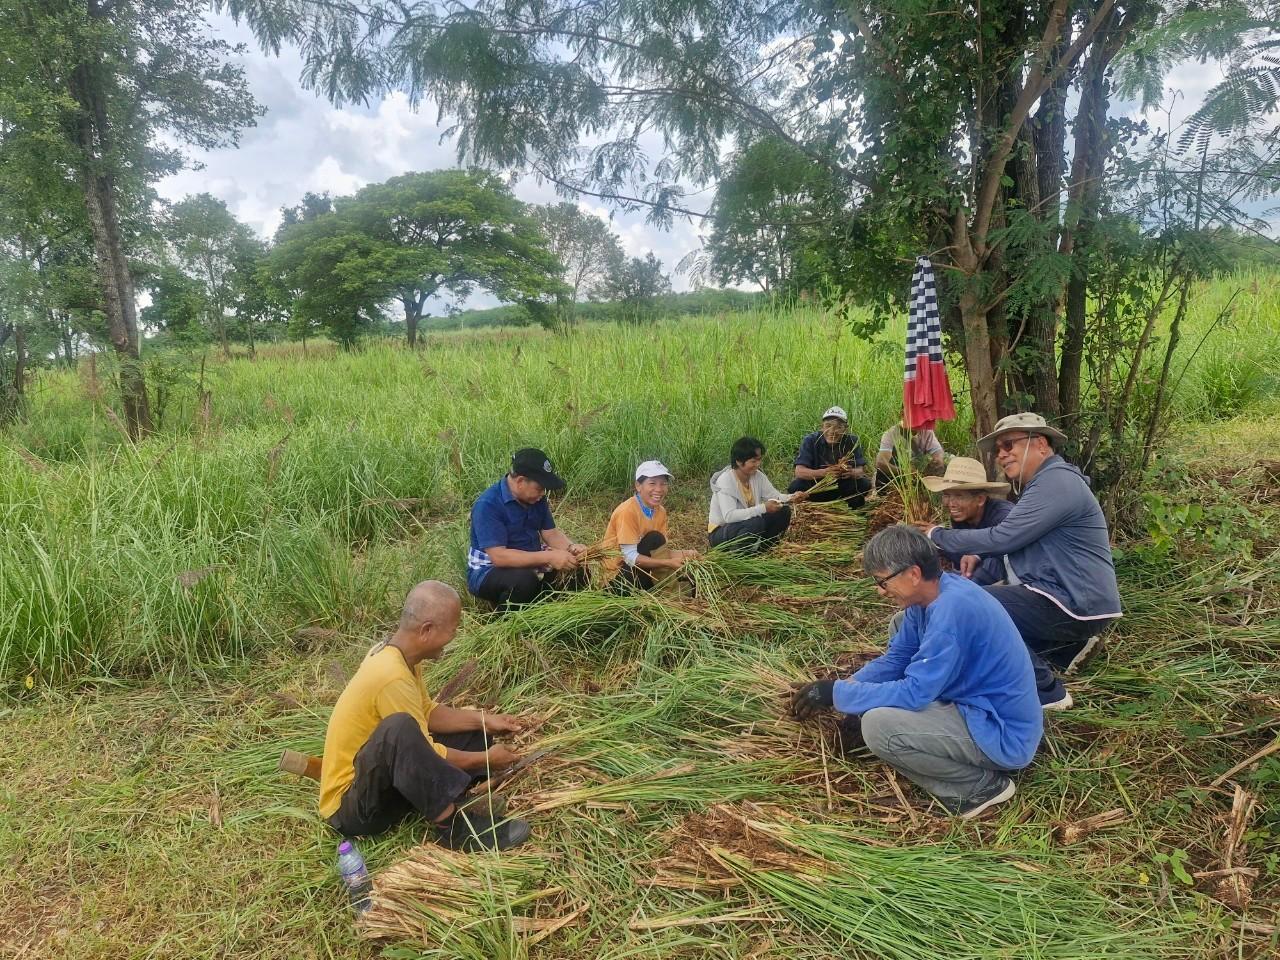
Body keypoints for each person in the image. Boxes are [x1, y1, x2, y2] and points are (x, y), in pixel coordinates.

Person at [791, 526, 1042, 819]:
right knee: (899, 624)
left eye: (883, 582)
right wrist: (846, 686)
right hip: (974, 705)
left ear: (912, 574)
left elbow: (916, 691)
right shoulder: (934, 594)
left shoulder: (951, 612)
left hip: (1001, 733)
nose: (879, 591)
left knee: (878, 727)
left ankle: (979, 788)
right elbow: (897, 659)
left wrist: (839, 694)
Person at [922, 413, 1122, 711]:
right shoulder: (1047, 482)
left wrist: (936, 534)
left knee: (973, 605)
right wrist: (977, 553)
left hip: (1073, 601)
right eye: (998, 449)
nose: (1002, 455)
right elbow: (1013, 541)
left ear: (1040, 443)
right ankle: (1066, 650)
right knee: (984, 608)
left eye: (1008, 445)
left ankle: (1047, 692)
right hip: (1069, 598)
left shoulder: (1056, 482)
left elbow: (1003, 538)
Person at [319, 581, 531, 849]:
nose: (454, 637)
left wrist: (483, 719)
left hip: (382, 779)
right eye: (452, 630)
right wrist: (486, 759)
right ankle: (452, 827)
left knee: (473, 735)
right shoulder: (390, 675)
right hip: (355, 808)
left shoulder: (401, 656)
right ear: (426, 630)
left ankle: (459, 788)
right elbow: (422, 748)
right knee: (399, 729)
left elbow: (427, 712)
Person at [467, 447, 588, 609]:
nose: (543, 493)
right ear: (520, 481)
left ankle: (549, 611)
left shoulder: (536, 499)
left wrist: (571, 548)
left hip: (530, 560)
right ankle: (506, 626)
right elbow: (500, 557)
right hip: (490, 570)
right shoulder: (488, 505)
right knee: (523, 581)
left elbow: (550, 533)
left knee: (576, 569)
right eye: (539, 488)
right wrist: (549, 557)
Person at [601, 460, 699, 590]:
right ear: (638, 486)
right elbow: (629, 557)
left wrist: (686, 554)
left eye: (663, 484)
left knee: (691, 583)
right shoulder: (627, 511)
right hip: (618, 579)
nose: (659, 489)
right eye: (652, 483)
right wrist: (668, 563)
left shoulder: (660, 512)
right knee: (655, 538)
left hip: (642, 571)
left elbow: (658, 552)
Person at [920, 457, 1013, 585]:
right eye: (947, 495)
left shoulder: (1003, 515)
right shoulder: (962, 517)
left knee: (992, 563)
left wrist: (977, 556)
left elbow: (1007, 549)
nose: (951, 504)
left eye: (959, 496)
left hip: (1011, 577)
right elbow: (961, 550)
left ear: (980, 499)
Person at [708, 436, 809, 552]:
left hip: (745, 525)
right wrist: (763, 508)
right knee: (756, 522)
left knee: (783, 510)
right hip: (721, 533)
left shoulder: (757, 476)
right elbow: (729, 516)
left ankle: (763, 550)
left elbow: (775, 496)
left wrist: (792, 497)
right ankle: (738, 556)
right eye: (753, 461)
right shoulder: (725, 481)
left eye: (759, 460)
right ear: (739, 461)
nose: (758, 464)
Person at [788, 405, 872, 508]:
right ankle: (814, 506)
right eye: (828, 426)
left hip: (841, 487)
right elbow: (799, 472)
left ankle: (850, 507)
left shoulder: (852, 441)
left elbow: (861, 470)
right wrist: (825, 472)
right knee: (796, 486)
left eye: (838, 427)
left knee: (864, 484)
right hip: (816, 488)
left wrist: (851, 472)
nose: (832, 431)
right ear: (822, 427)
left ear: (845, 429)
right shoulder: (810, 440)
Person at [875, 418, 946, 489]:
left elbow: (938, 451)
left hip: (918, 474)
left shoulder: (927, 431)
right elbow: (881, 462)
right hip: (899, 476)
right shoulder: (891, 434)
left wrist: (938, 459)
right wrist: (905, 472)